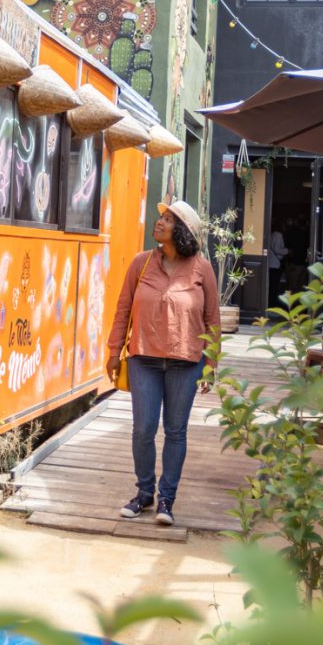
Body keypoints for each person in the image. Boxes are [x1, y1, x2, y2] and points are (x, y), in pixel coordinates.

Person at [106, 199, 221, 527]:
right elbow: (123, 309)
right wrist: (114, 351)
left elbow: (213, 320)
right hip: (143, 358)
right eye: (162, 218)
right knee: (143, 429)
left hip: (187, 362)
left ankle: (167, 498)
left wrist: (211, 363)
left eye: (169, 219)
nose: (160, 222)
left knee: (175, 431)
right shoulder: (141, 263)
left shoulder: (202, 269)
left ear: (183, 231)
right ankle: (144, 492)